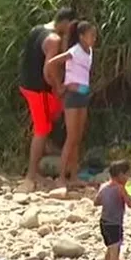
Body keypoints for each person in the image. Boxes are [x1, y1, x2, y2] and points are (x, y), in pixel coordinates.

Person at [18, 7, 77, 191]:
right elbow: (48, 69)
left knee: (54, 114)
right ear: (66, 23)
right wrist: (58, 86)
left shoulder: (37, 29)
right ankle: (31, 175)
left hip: (26, 84)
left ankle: (47, 149)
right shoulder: (54, 39)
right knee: (42, 129)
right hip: (39, 90)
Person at [44, 21, 97, 188]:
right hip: (73, 95)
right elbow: (52, 63)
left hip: (83, 93)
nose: (93, 39)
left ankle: (73, 176)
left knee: (78, 138)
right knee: (71, 137)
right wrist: (61, 85)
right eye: (91, 35)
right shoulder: (74, 51)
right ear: (81, 36)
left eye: (94, 36)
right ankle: (61, 177)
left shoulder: (90, 51)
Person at [94, 159, 131, 260]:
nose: (128, 178)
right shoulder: (121, 188)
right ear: (121, 175)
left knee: (110, 248)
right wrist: (128, 193)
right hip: (114, 224)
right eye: (127, 175)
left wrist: (108, 200)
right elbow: (130, 204)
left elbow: (96, 202)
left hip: (103, 222)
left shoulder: (104, 186)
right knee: (115, 250)